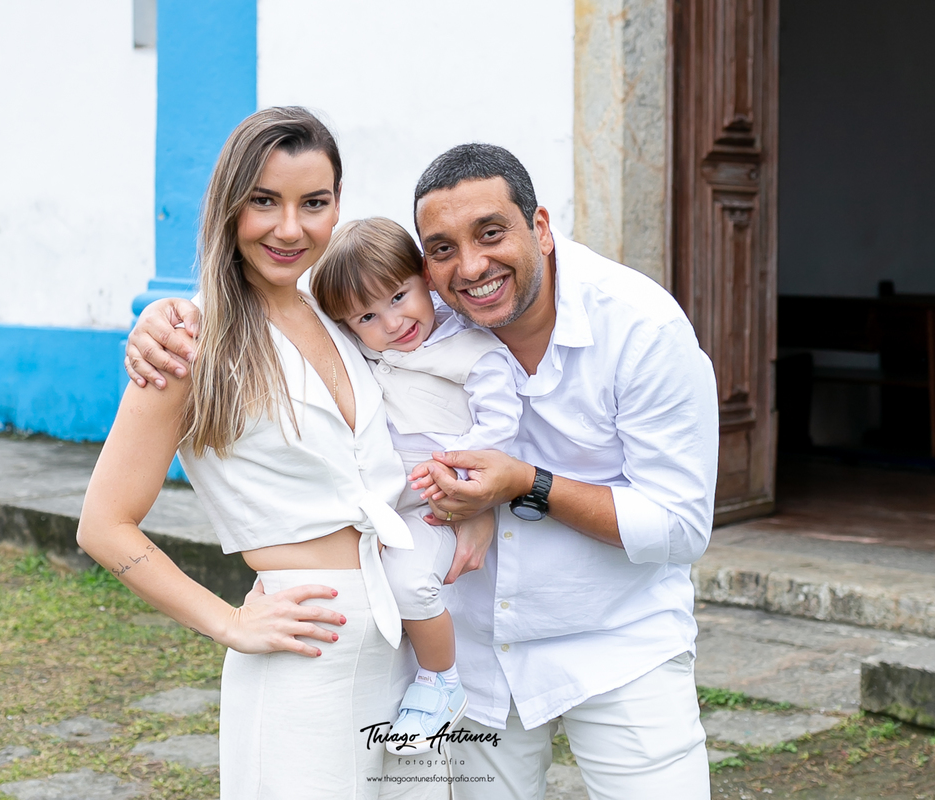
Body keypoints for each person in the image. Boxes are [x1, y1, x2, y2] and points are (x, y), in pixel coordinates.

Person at [127, 144, 720, 799]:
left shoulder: (642, 330)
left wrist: (528, 484)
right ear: (423, 264)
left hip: (615, 646)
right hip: (467, 656)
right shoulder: (398, 319)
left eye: (491, 234)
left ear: (542, 228)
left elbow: (680, 530)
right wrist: (167, 316)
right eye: (442, 249)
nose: (471, 266)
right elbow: (285, 307)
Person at [78, 107, 446, 800]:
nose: (289, 228)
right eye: (264, 202)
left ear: (337, 206)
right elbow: (103, 524)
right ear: (229, 206)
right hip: (303, 650)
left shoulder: (341, 317)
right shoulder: (191, 342)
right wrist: (230, 622)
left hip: (403, 645)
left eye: (314, 203)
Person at [309, 217, 522, 754]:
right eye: (367, 316)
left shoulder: (475, 349)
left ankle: (441, 679)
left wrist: (462, 473)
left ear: (424, 276)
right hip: (375, 503)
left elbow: (500, 423)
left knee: (408, 582)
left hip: (438, 503)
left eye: (400, 295)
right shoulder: (361, 351)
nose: (393, 321)